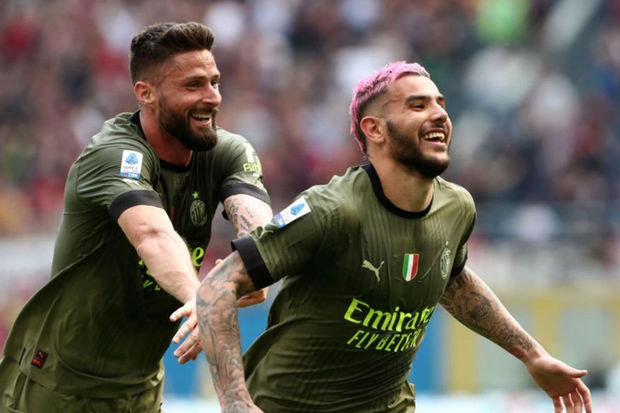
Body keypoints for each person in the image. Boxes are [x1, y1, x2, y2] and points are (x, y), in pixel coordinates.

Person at [191, 61, 593, 412]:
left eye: (440, 104)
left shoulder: (457, 208)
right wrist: (235, 401)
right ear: (375, 129)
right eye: (418, 105)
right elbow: (217, 286)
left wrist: (531, 355)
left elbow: (452, 279)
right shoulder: (332, 210)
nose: (439, 114)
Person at [0, 22, 272, 413]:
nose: (212, 97)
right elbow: (152, 235)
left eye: (215, 82)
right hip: (58, 387)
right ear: (146, 93)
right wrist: (203, 299)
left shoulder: (228, 151)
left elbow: (258, 227)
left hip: (141, 388)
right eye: (193, 85)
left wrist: (255, 263)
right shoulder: (113, 155)